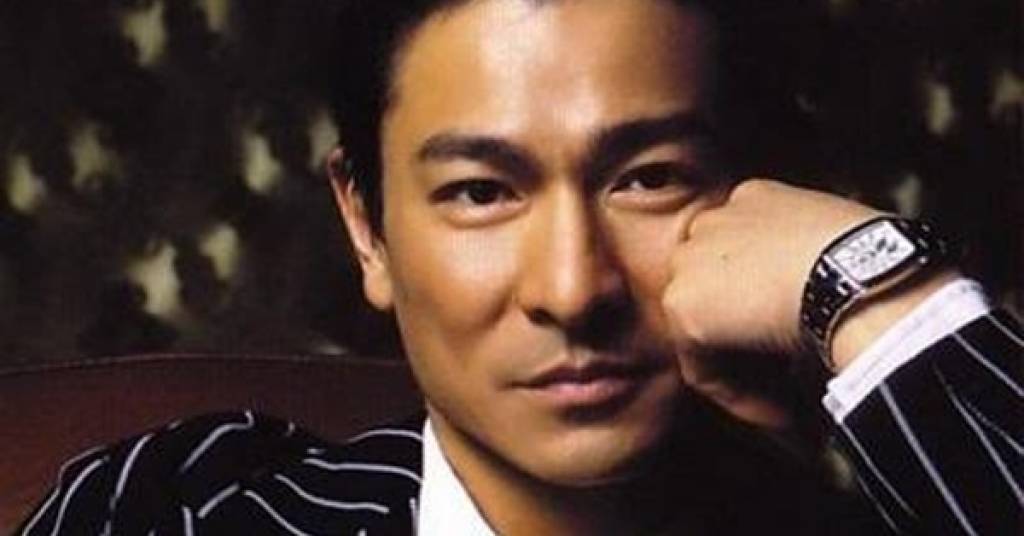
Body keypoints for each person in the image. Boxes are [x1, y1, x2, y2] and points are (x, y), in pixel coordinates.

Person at [20, 0, 1022, 534]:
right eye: (480, 191)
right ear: (367, 225)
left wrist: (882, 299)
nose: (572, 289)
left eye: (648, 178)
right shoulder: (176, 511)